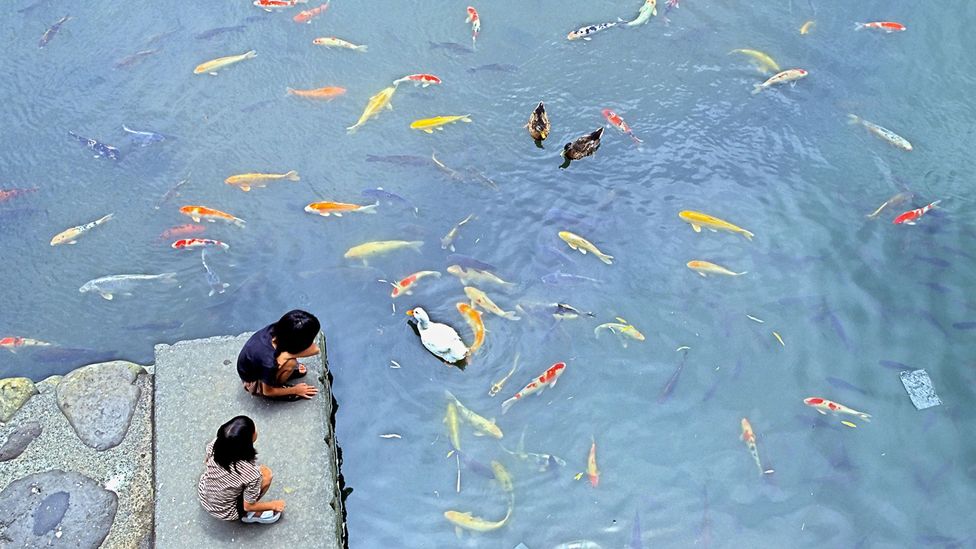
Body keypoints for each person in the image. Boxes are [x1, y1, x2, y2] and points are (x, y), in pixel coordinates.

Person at [198, 416, 286, 525]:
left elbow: (207, 461)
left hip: (204, 494)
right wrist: (274, 505)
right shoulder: (251, 474)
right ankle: (249, 515)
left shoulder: (214, 444)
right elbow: (248, 506)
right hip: (226, 511)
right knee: (266, 476)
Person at [237, 309, 321, 400]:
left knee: (289, 360)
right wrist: (295, 390)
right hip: (254, 382)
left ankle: (280, 370)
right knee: (291, 363)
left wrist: (286, 356)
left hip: (257, 366)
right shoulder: (268, 362)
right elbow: (267, 391)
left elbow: (315, 350)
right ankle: (280, 387)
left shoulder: (278, 329)